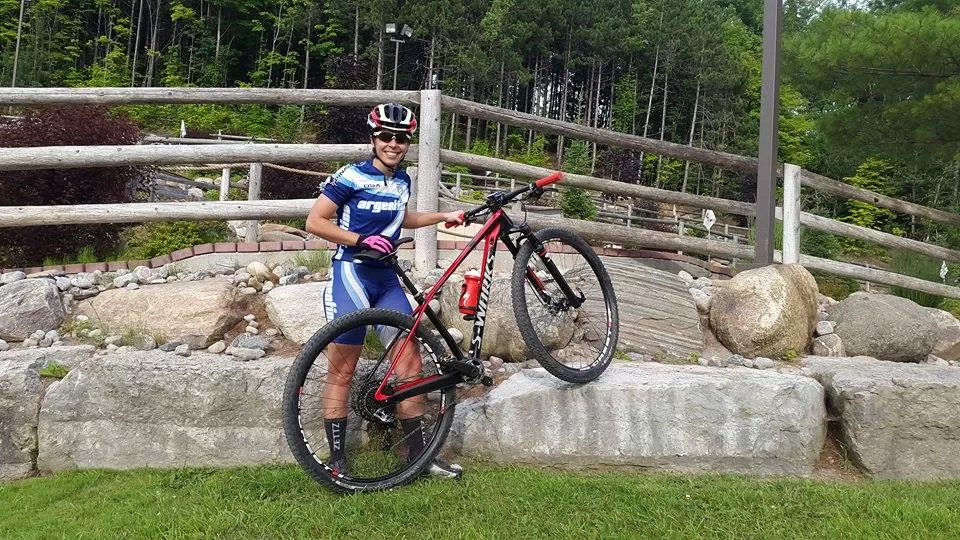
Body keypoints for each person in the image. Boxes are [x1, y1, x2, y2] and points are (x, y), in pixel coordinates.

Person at [305, 103, 464, 480]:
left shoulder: (401, 181)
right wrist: (361, 238)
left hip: (387, 279)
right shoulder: (351, 176)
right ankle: (338, 461)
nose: (393, 144)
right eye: (386, 137)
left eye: (401, 138)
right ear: (373, 138)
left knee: (409, 365)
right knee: (342, 371)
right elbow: (315, 220)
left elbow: (401, 217)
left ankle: (417, 458)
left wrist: (442, 216)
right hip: (353, 275)